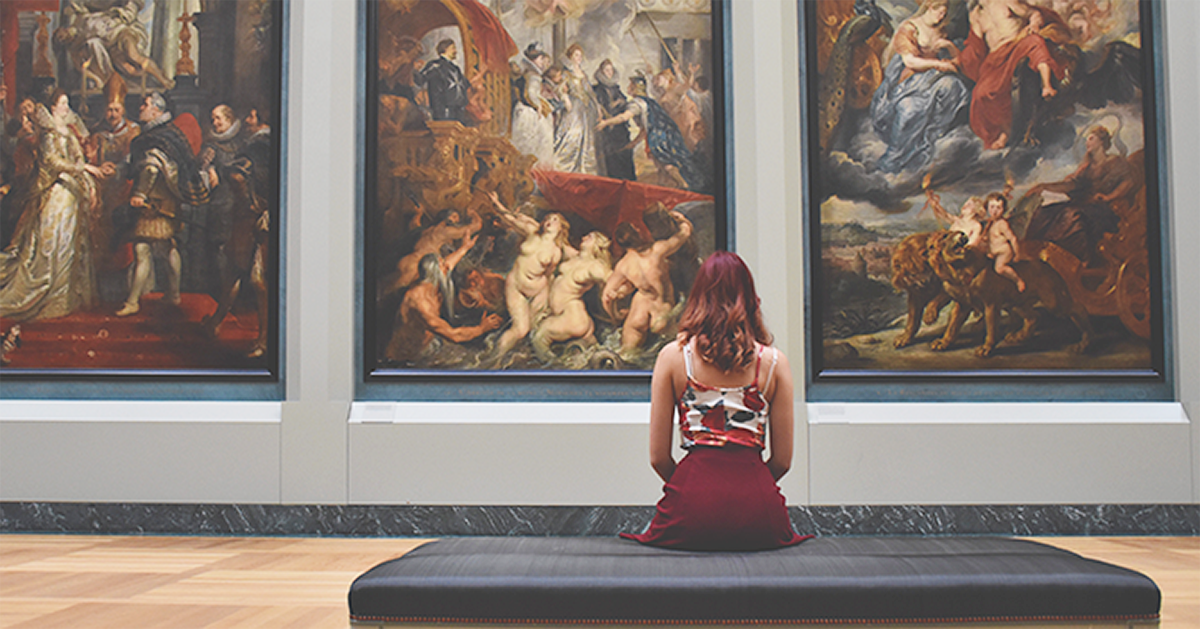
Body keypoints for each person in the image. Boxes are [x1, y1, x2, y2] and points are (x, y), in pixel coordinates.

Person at [621, 251, 810, 551]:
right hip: (759, 511)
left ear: (698, 297)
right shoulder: (775, 363)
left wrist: (691, 488)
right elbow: (782, 461)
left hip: (690, 505)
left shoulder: (672, 357)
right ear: (749, 297)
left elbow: (658, 458)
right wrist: (748, 487)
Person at [0, 91, 104, 321]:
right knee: (50, 244)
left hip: (72, 193)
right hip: (55, 191)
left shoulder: (68, 132)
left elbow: (77, 156)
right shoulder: (48, 133)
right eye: (63, 103)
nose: (67, 107)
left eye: (67, 103)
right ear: (53, 107)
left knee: (69, 243)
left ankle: (66, 297)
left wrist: (82, 167)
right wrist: (82, 169)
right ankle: (50, 295)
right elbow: (50, 161)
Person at [116, 91, 211, 317]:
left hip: (153, 203)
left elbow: (151, 167)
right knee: (168, 246)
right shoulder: (169, 134)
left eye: (146, 105)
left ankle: (133, 301)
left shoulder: (156, 137)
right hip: (168, 201)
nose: (141, 108)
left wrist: (140, 193)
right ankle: (174, 294)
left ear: (156, 110)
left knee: (142, 249)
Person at [869, 0, 971, 173]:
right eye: (940, 12)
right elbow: (910, 61)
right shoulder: (910, 28)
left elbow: (957, 62)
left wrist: (949, 46)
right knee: (910, 109)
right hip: (910, 79)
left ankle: (930, 135)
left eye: (944, 14)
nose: (942, 17)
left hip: (933, 77)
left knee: (953, 86)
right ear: (930, 7)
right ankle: (894, 159)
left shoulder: (942, 30)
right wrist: (937, 64)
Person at [201, 108, 272, 357]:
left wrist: (248, 203)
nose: (247, 120)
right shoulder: (267, 144)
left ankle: (264, 340)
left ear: (261, 121)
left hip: (258, 219)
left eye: (251, 116)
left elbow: (236, 175)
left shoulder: (256, 146)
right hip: (258, 217)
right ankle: (215, 322)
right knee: (235, 272)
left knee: (257, 279)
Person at [958, 0, 1065, 149]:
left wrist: (1034, 24)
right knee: (981, 94)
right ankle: (1004, 131)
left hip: (1016, 45)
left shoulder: (1005, 1)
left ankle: (1046, 85)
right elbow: (976, 46)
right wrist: (961, 57)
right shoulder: (975, 15)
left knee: (1035, 42)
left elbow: (1033, 13)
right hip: (995, 58)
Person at [1024, 125, 1132, 265]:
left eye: (1091, 139)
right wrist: (1044, 186)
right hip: (1084, 204)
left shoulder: (1115, 162)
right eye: (1087, 139)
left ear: (1101, 141)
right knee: (1044, 212)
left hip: (1103, 208)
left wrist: (1109, 197)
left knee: (1072, 216)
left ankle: (1081, 261)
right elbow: (1071, 185)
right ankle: (1039, 253)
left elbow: (1127, 182)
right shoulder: (1086, 167)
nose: (1087, 142)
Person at [487, 191, 576, 357]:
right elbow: (510, 219)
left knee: (535, 331)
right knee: (520, 330)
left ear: (561, 228)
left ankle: (526, 359)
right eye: (548, 218)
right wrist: (496, 202)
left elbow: (548, 274)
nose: (550, 221)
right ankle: (493, 360)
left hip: (538, 291)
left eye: (555, 220)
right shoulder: (532, 231)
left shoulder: (556, 251)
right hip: (516, 285)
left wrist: (548, 297)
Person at [385, 243, 504, 365]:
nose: (446, 266)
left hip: (430, 344)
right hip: (406, 358)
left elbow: (448, 264)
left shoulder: (430, 280)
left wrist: (466, 247)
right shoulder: (422, 304)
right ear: (437, 273)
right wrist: (481, 328)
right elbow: (454, 335)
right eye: (442, 266)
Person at [597, 74, 707, 193]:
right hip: (668, 132)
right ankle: (671, 185)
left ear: (635, 88)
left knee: (665, 161)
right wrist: (634, 142)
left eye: (630, 85)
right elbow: (645, 128)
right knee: (664, 161)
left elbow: (623, 117)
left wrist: (605, 122)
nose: (628, 87)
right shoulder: (648, 101)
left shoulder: (636, 103)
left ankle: (682, 183)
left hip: (658, 135)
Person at [603, 210, 693, 355]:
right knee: (678, 353)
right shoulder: (657, 250)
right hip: (662, 313)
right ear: (638, 235)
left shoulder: (623, 265)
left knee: (627, 355)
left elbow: (606, 297)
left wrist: (616, 317)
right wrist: (682, 220)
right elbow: (685, 233)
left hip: (639, 313)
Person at [531, 230, 612, 362]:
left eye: (589, 237)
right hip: (569, 316)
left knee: (539, 337)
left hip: (573, 317)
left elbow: (612, 278)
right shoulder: (576, 256)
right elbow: (561, 243)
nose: (584, 237)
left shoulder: (594, 266)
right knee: (586, 358)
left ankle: (553, 369)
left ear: (597, 244)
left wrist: (615, 293)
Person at [553, 44, 601, 175]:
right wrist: (565, 98)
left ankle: (583, 169)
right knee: (572, 136)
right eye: (576, 55)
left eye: (580, 55)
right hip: (573, 109)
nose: (579, 58)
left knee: (586, 138)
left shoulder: (583, 74)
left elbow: (590, 92)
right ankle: (564, 167)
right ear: (570, 57)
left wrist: (597, 107)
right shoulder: (566, 74)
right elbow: (559, 89)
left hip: (586, 110)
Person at [510, 44, 556, 169]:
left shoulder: (527, 72)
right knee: (544, 135)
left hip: (523, 108)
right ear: (534, 59)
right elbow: (530, 94)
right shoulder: (534, 75)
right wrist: (538, 106)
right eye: (541, 59)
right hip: (528, 110)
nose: (542, 62)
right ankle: (539, 167)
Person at [592, 59, 636, 181]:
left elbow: (623, 102)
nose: (609, 72)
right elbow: (599, 107)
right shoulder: (598, 89)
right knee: (611, 156)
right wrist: (614, 105)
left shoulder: (616, 88)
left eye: (611, 70)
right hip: (607, 128)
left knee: (625, 152)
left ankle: (628, 181)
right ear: (601, 72)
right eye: (606, 70)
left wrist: (621, 103)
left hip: (620, 126)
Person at [415, 39, 470, 124]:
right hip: (442, 112)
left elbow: (466, 85)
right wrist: (415, 70)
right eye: (453, 48)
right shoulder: (435, 66)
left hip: (458, 112)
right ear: (445, 49)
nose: (455, 51)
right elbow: (420, 80)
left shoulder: (456, 69)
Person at [981, 192, 1025, 291]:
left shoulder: (1002, 223)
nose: (994, 211)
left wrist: (1017, 254)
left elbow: (1013, 238)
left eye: (998, 208)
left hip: (1004, 253)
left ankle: (1018, 280)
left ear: (1003, 210)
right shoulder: (990, 222)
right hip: (993, 252)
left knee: (999, 268)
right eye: (992, 207)